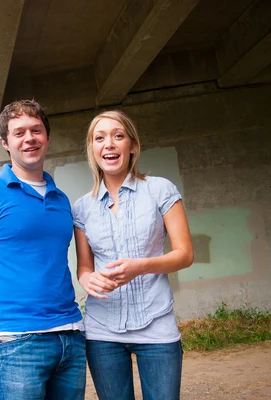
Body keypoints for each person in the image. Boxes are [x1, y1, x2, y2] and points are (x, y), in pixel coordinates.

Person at [0, 99, 86, 400]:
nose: (29, 139)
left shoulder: (61, 199)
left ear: (47, 138)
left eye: (36, 130)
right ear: (5, 142)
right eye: (19, 132)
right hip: (17, 341)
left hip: (72, 336)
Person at [72, 110, 194, 400]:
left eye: (118, 136)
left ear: (133, 146)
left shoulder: (160, 189)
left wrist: (140, 267)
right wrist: (87, 280)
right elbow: (84, 267)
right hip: (102, 332)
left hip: (157, 324)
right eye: (99, 138)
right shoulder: (81, 208)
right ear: (92, 150)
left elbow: (185, 254)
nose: (109, 144)